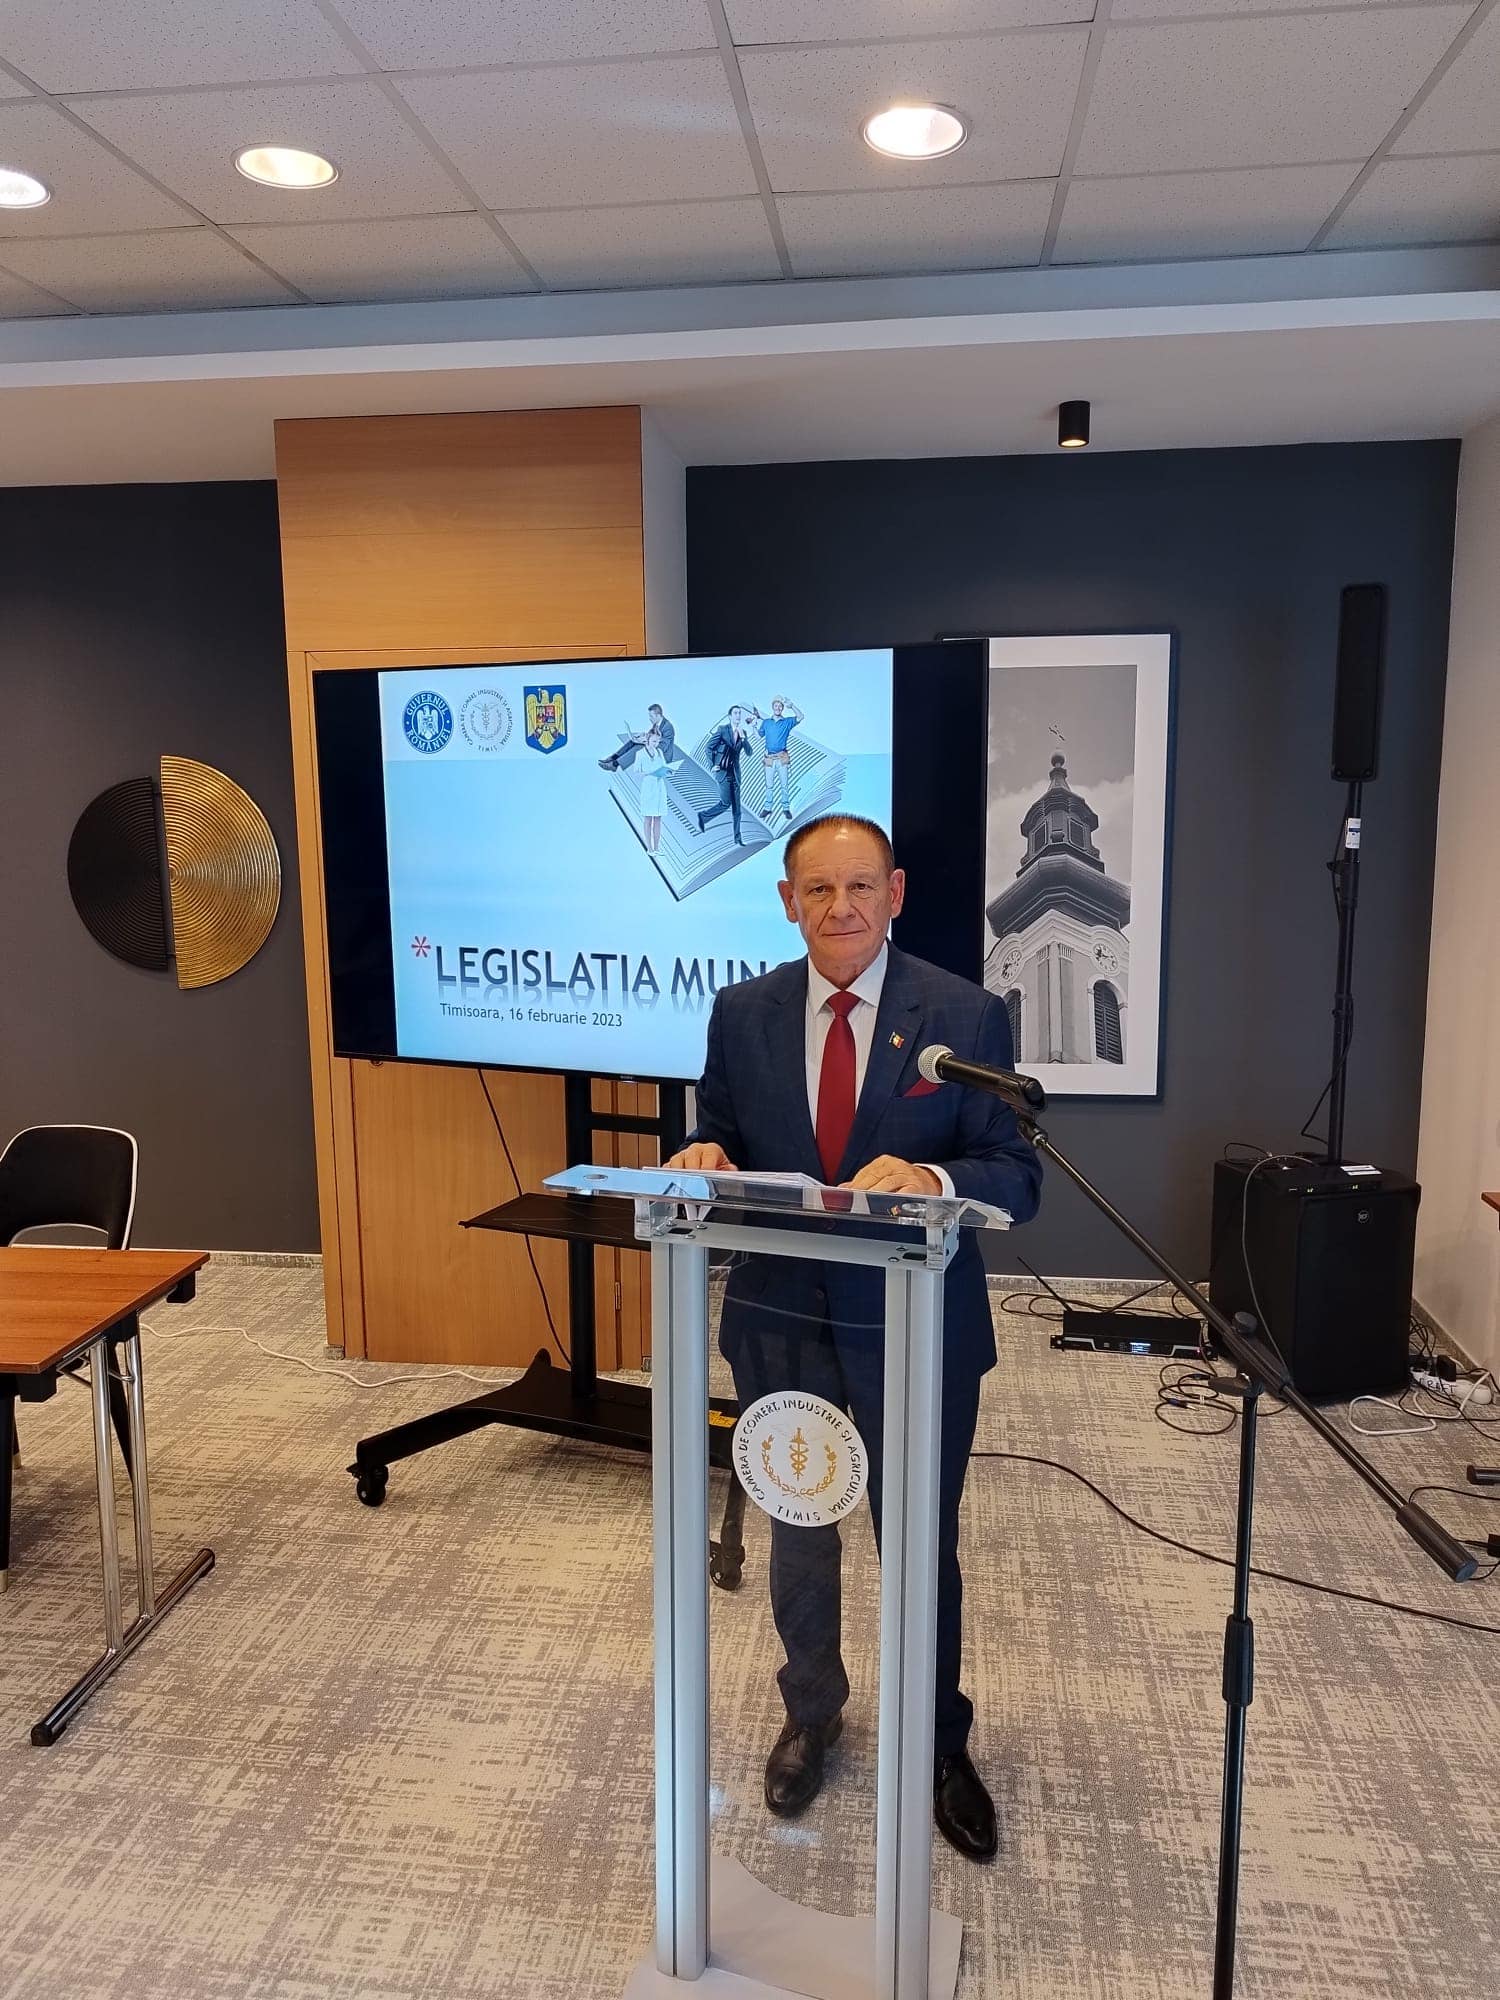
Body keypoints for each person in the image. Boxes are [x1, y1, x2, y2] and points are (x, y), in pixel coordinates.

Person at [666, 814, 1042, 1863]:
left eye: (861, 886)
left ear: (896, 892)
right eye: (820, 889)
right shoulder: (742, 1012)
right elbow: (723, 1133)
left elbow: (1016, 1174)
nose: (842, 908)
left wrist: (933, 1176)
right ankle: (811, 1711)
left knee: (918, 1538)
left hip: (916, 1327)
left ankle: (939, 1739)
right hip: (781, 1321)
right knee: (799, 1528)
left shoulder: (963, 1014)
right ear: (788, 901)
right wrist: (703, 1150)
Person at [697, 705, 755, 845]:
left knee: (737, 809)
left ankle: (738, 838)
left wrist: (743, 738)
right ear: (730, 716)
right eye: (735, 713)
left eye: (739, 713)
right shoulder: (723, 730)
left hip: (735, 774)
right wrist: (712, 765)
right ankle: (703, 816)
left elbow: (749, 753)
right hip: (722, 773)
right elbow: (708, 747)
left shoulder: (743, 733)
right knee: (725, 803)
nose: (738, 715)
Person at [756, 696, 803, 822]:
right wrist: (753, 726)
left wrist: (792, 706)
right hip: (769, 758)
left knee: (784, 785)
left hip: (782, 758)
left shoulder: (787, 722)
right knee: (769, 785)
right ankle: (767, 808)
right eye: (776, 705)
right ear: (773, 707)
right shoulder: (766, 722)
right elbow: (758, 736)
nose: (778, 708)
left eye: (780, 706)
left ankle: (786, 809)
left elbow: (800, 717)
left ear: (782, 708)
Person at [600, 703, 674, 772]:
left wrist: (647, 742)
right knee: (633, 741)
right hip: (653, 747)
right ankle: (613, 758)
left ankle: (614, 765)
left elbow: (664, 746)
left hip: (663, 755)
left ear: (658, 715)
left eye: (651, 716)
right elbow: (652, 735)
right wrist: (643, 736)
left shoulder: (668, 727)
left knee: (639, 747)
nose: (650, 718)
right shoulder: (657, 723)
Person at [635, 726, 676, 853]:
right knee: (648, 818)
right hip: (648, 787)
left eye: (658, 741)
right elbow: (637, 772)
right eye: (654, 741)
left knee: (658, 818)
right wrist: (649, 772)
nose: (656, 744)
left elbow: (663, 767)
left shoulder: (659, 753)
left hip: (659, 788)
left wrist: (669, 771)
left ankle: (657, 848)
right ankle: (650, 848)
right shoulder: (640, 754)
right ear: (647, 739)